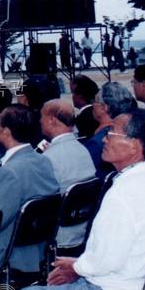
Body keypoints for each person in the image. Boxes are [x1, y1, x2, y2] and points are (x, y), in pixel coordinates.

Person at [5, 110, 145, 290]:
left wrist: (77, 267)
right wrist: (78, 267)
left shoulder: (124, 195)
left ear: (134, 146)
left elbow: (106, 262)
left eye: (111, 133)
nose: (104, 139)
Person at [0, 104, 60, 279]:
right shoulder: (43, 161)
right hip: (38, 247)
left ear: (6, 132)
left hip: (10, 253)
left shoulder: (10, 172)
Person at [39, 100, 96, 249]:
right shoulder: (83, 150)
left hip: (57, 237)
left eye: (42, 116)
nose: (40, 121)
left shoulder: (49, 157)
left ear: (51, 120)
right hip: (82, 230)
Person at [84, 82, 138, 176]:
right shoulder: (135, 129)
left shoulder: (98, 142)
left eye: (94, 101)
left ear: (104, 107)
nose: (92, 104)